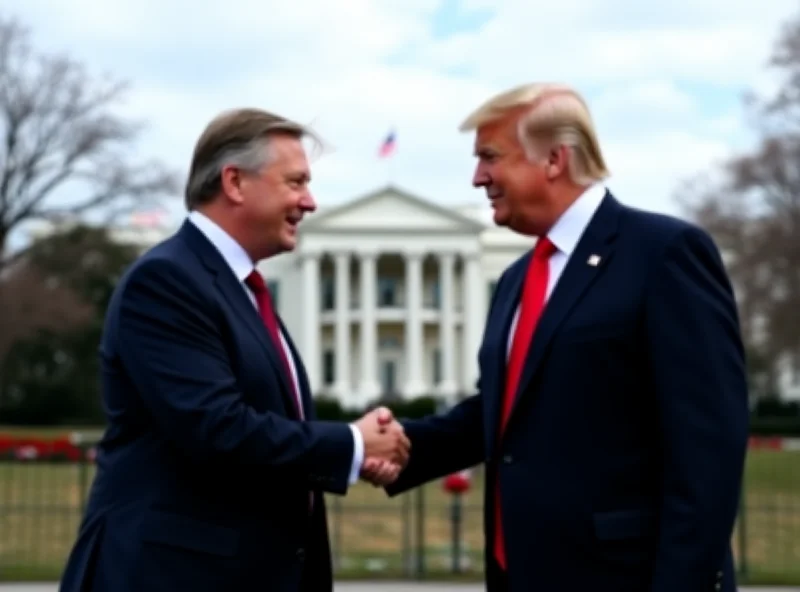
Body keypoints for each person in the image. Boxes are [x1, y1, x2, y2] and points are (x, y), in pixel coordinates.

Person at [363, 83, 750, 592]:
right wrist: (400, 447)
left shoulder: (664, 254)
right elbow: (502, 415)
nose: (477, 177)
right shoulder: (516, 279)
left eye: (489, 156)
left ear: (554, 159)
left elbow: (709, 449)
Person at [59, 108, 409, 592]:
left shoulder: (241, 289)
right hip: (169, 576)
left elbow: (267, 424)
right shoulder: (167, 280)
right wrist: (350, 443)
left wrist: (358, 450)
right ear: (235, 183)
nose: (310, 202)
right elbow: (216, 428)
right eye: (296, 182)